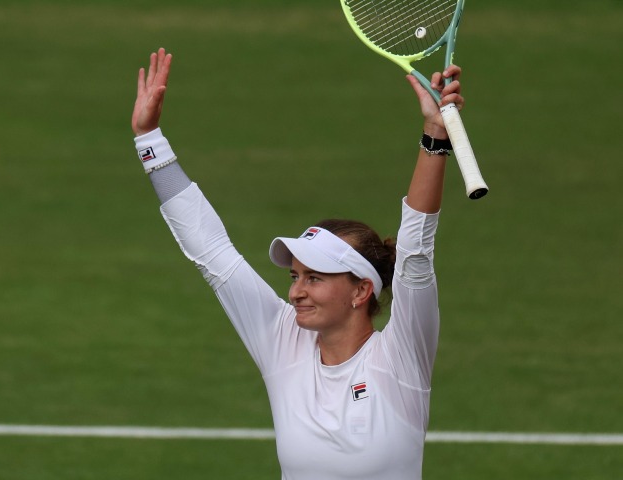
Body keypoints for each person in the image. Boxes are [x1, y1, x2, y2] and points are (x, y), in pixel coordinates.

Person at [132, 47, 465, 480]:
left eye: (314, 277)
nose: (295, 292)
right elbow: (212, 252)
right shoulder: (280, 339)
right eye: (295, 276)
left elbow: (416, 250)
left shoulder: (402, 355)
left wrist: (435, 135)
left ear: (361, 290)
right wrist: (149, 140)